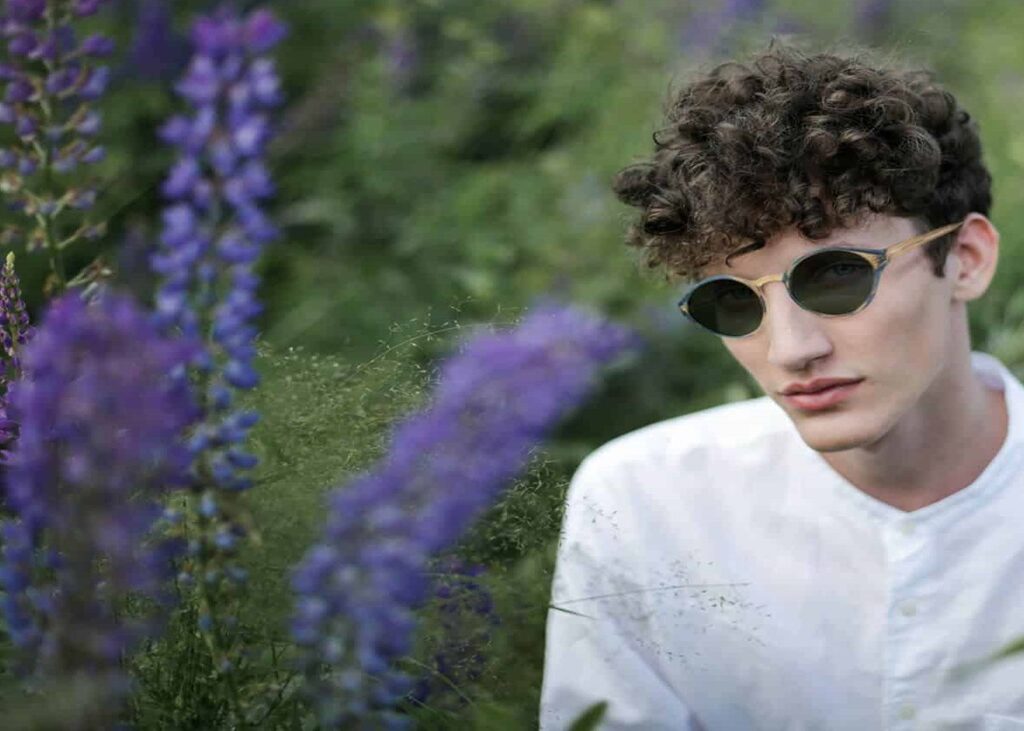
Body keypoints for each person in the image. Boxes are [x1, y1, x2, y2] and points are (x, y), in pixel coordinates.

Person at [538, 41, 1024, 730]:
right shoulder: (645, 503)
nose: (792, 348)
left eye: (836, 276)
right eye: (734, 302)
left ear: (967, 260)